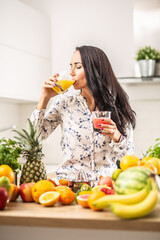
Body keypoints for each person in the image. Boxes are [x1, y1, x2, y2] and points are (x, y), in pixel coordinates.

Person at [31, 45, 136, 181]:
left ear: (95, 69)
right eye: (71, 66)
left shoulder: (117, 106)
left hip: (104, 187)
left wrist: (117, 136)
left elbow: (129, 160)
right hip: (68, 186)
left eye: (78, 66)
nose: (72, 72)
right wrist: (44, 98)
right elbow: (34, 138)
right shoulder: (64, 103)